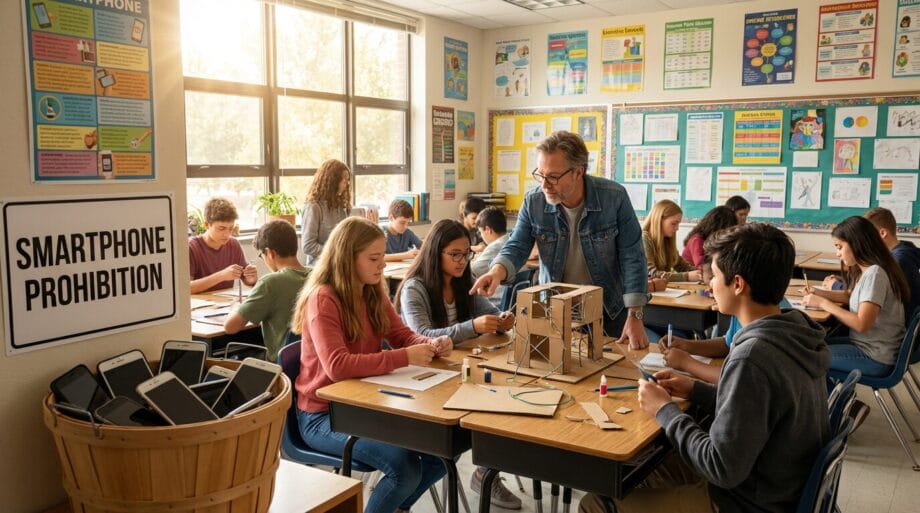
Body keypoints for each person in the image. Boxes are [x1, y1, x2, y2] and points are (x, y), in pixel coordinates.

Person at [580, 223, 830, 513]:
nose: (710, 284)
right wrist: (695, 389)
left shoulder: (752, 357)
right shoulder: (793, 332)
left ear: (738, 284)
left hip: (744, 500)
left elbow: (720, 467)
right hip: (774, 482)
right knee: (631, 475)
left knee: (595, 504)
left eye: (716, 276)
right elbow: (758, 409)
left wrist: (665, 410)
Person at [291, 217, 451, 513]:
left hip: (364, 405)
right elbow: (337, 366)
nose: (383, 265)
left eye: (382, 257)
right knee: (404, 469)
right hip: (323, 416)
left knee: (440, 454)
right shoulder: (323, 298)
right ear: (347, 259)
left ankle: (391, 508)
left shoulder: (371, 289)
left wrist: (428, 344)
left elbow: (400, 334)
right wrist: (404, 357)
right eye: (374, 258)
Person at [470, 130, 650, 348]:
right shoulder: (534, 201)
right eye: (540, 174)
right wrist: (496, 272)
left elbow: (633, 257)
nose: (545, 184)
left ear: (578, 172)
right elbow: (517, 245)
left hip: (608, 310)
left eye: (553, 176)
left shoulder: (614, 197)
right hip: (554, 309)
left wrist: (635, 315)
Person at [394, 219, 520, 509]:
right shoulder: (416, 287)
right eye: (455, 254)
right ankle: (485, 472)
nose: (463, 261)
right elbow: (421, 336)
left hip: (457, 372)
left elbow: (489, 313)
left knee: (502, 403)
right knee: (488, 409)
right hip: (423, 380)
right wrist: (473, 327)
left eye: (467, 254)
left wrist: (502, 321)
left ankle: (485, 472)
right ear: (435, 252)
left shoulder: (465, 280)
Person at [803, 216, 909, 379]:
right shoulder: (869, 269)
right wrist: (820, 293)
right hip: (869, 347)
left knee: (810, 358)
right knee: (812, 347)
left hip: (875, 356)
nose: (837, 253)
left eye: (839, 247)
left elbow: (861, 324)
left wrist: (823, 303)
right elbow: (853, 297)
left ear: (857, 243)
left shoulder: (875, 274)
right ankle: (832, 401)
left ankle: (835, 403)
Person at [223, 220, 310, 361]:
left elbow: (230, 327)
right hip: (312, 360)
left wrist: (236, 307)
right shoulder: (317, 275)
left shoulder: (271, 282)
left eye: (261, 255)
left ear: (270, 253)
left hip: (283, 365)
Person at [824, 208, 920, 323]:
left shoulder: (897, 260)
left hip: (890, 327)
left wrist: (835, 287)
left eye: (868, 235)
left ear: (882, 233)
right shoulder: (890, 257)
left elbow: (873, 290)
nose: (862, 239)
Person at [189, 197, 257, 294]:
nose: (227, 234)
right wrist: (221, 276)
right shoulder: (191, 247)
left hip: (225, 306)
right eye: (221, 228)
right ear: (206, 224)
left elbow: (248, 281)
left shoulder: (233, 244)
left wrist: (251, 278)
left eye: (230, 228)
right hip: (199, 307)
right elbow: (186, 288)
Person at [301, 159, 351, 265]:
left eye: (348, 180)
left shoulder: (341, 206)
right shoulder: (314, 207)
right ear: (333, 181)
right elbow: (308, 246)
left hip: (339, 264)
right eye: (344, 180)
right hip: (319, 266)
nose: (347, 184)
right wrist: (335, 253)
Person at [642, 200, 702, 283]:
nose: (677, 228)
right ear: (659, 220)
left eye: (678, 224)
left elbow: (681, 265)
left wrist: (702, 273)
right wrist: (686, 276)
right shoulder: (643, 239)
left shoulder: (666, 240)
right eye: (673, 223)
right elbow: (650, 274)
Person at [471, 207, 511, 305]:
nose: (481, 236)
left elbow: (474, 270)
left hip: (494, 300)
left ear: (488, 229)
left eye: (481, 232)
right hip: (509, 299)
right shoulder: (511, 240)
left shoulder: (496, 246)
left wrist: (472, 261)